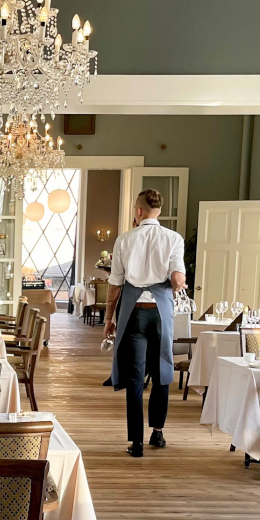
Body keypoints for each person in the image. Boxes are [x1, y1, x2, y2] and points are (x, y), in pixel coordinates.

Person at [104, 189, 186, 457]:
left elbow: (115, 286)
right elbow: (177, 281)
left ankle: (136, 442)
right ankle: (158, 434)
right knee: (163, 371)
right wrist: (176, 281)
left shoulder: (124, 240)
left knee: (135, 377)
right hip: (161, 312)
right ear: (159, 211)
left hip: (134, 313)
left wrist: (109, 319)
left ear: (138, 212)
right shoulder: (173, 238)